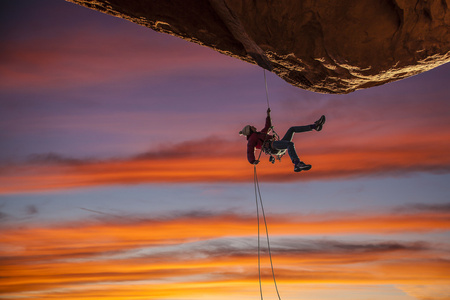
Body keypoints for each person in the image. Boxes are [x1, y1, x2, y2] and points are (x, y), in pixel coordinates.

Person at [239, 108, 326, 172]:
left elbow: (268, 126)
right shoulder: (252, 138)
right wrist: (252, 160)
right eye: (251, 127)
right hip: (272, 147)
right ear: (250, 131)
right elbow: (249, 150)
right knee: (289, 144)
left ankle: (315, 126)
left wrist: (268, 115)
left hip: (276, 146)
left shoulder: (259, 134)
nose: (253, 126)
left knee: (292, 130)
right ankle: (297, 164)